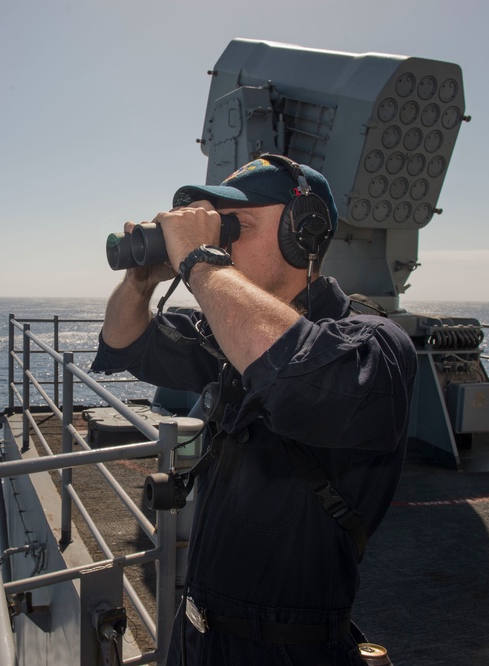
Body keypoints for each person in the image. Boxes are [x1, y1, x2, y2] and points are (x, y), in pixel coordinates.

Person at [91, 155, 418, 665]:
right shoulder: (231, 341)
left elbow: (295, 371)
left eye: (234, 226)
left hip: (288, 651)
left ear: (302, 233)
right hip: (196, 636)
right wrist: (140, 281)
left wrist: (198, 259)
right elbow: (124, 341)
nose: (221, 240)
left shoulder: (374, 345)